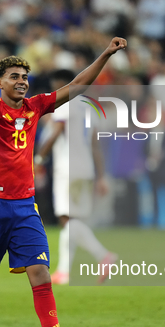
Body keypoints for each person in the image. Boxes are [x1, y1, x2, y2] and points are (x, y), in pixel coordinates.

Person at [0, 29, 127, 327]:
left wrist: (105, 54)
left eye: (25, 77)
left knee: (42, 275)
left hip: (25, 207)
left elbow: (77, 86)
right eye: (15, 77)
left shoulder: (35, 107)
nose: (22, 82)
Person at [36, 69, 118, 285]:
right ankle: (63, 272)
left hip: (67, 167)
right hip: (86, 168)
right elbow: (95, 145)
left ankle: (104, 256)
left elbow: (55, 133)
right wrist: (101, 176)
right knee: (72, 220)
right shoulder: (89, 107)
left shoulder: (65, 104)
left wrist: (38, 159)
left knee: (66, 218)